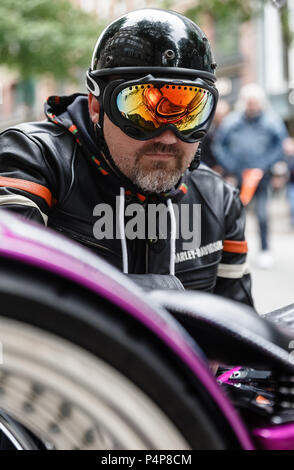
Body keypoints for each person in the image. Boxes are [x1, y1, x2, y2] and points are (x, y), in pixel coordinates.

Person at [0, 8, 254, 307]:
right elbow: (11, 291)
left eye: (188, 112)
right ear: (97, 106)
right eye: (141, 110)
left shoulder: (219, 200)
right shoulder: (34, 159)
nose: (168, 135)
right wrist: (158, 297)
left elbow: (240, 333)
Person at [213, 83, 288, 269]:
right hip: (237, 177)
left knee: (262, 215)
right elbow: (219, 146)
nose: (252, 106)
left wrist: (267, 166)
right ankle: (235, 251)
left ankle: (264, 249)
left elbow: (280, 146)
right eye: (249, 102)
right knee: (235, 216)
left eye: (255, 102)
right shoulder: (232, 122)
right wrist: (231, 167)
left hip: (261, 177)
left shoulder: (271, 122)